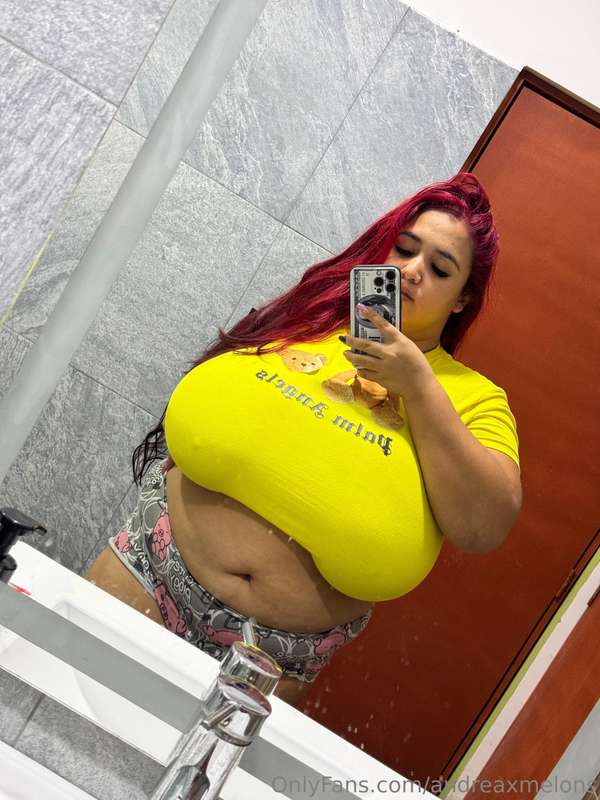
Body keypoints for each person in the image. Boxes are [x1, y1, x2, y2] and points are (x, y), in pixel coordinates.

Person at [86, 172, 522, 708]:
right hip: (153, 567)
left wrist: (419, 387)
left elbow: (484, 525)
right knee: (57, 712)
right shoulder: (309, 319)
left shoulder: (472, 396)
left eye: (439, 268)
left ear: (462, 298)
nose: (411, 271)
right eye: (405, 249)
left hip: (276, 651)